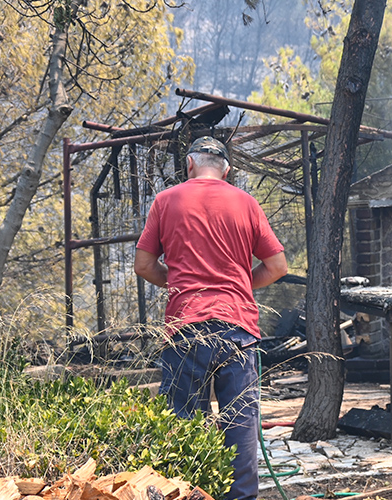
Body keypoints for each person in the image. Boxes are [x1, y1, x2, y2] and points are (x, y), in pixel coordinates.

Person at [134, 136, 287, 500]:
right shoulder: (246, 203)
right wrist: (236, 285)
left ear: (189, 164)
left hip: (186, 327)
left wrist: (182, 283)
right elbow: (277, 266)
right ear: (227, 170)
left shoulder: (166, 201)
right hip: (238, 330)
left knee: (183, 423)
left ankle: (186, 494)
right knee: (240, 423)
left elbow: (143, 265)